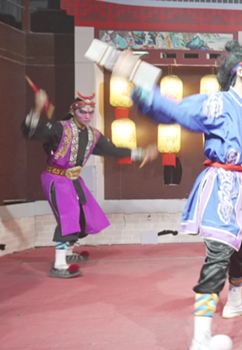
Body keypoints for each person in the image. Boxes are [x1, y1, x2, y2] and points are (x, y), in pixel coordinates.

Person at [113, 40, 242, 350]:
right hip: (220, 187)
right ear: (239, 72)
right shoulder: (215, 104)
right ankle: (199, 342)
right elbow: (173, 110)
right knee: (218, 257)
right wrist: (137, 85)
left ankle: (235, 303)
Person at [22, 91, 157, 279]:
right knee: (68, 217)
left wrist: (140, 153)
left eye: (90, 112)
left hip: (74, 179)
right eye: (82, 112)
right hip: (56, 178)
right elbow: (33, 132)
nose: (86, 116)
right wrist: (38, 106)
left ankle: (68, 253)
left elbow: (113, 150)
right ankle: (59, 265)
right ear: (73, 112)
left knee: (83, 216)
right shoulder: (60, 128)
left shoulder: (93, 135)